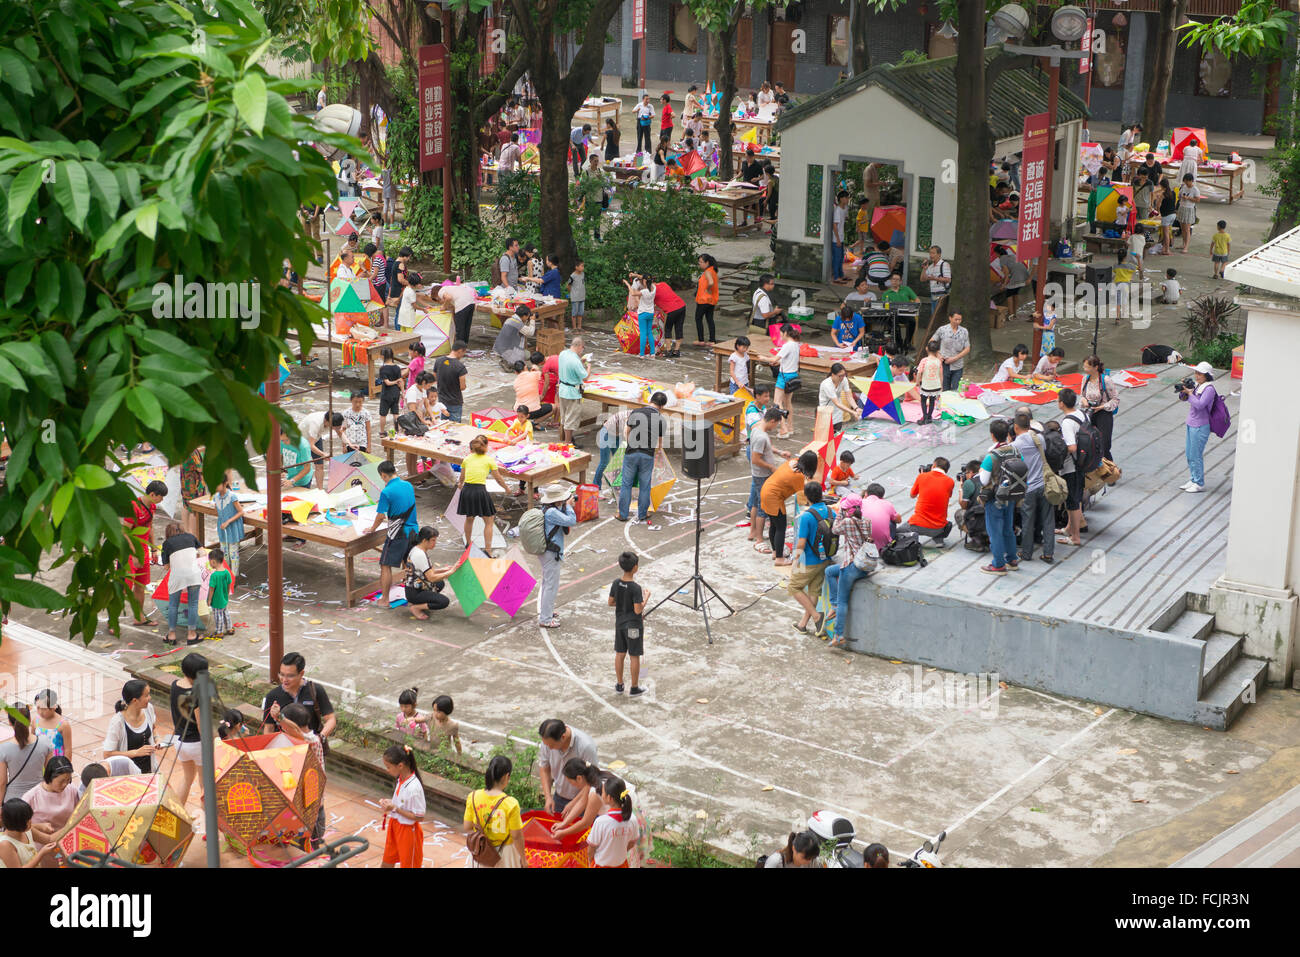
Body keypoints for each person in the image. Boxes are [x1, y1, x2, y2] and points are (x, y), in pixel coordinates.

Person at [260, 653, 337, 754]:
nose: (284, 680)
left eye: (290, 676)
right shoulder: (273, 696)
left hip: (310, 748)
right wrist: (268, 752)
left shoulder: (315, 690)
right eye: (281, 674)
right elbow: (269, 728)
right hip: (284, 751)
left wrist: (319, 738)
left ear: (301, 673)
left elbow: (331, 719)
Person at [369, 460, 418, 609]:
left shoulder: (386, 492)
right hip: (413, 530)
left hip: (398, 533)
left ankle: (385, 600)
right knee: (410, 565)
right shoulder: (408, 485)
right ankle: (413, 598)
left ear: (383, 475)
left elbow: (380, 516)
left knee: (385, 564)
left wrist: (371, 529)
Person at [463, 755, 527, 868]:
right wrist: (523, 858)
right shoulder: (511, 804)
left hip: (481, 852)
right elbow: (516, 836)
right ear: (507, 776)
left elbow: (467, 827)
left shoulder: (473, 797)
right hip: (505, 856)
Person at [825, 493, 871, 648]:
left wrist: (839, 513)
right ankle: (834, 605)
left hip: (850, 565)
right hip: (864, 566)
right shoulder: (867, 521)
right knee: (830, 571)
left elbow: (834, 530)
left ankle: (838, 634)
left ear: (848, 510)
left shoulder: (846, 522)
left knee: (843, 601)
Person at [978, 418, 1023, 574]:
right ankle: (1012, 559)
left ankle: (998, 564)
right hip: (1011, 495)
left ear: (992, 435)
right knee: (1008, 529)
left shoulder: (991, 456)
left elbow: (984, 480)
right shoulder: (1016, 451)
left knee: (995, 532)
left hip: (995, 498)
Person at [617, 392, 667, 529]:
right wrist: (657, 454)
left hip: (631, 452)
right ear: (662, 406)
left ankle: (622, 514)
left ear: (650, 401)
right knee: (645, 485)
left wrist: (629, 444)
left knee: (626, 484)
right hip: (647, 454)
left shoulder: (636, 412)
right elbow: (659, 442)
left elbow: (626, 430)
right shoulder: (661, 419)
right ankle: (643, 513)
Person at [761, 451, 819, 566]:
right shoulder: (798, 476)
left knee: (774, 524)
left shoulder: (793, 462)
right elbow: (803, 497)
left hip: (767, 490)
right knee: (781, 527)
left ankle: (775, 552)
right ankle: (779, 559)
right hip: (773, 497)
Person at [1013, 412, 1055, 565]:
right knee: (1048, 519)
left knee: (1027, 521)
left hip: (1028, 488)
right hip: (1044, 484)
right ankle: (1048, 553)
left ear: (1016, 427)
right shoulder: (1039, 438)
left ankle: (1026, 553)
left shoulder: (1015, 445)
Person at [458, 434, 510, 556]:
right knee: (489, 520)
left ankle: (468, 543)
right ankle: (488, 549)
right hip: (479, 491)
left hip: (467, 490)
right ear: (486, 446)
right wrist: (506, 488)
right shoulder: (489, 460)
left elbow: (462, 476)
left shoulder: (467, 459)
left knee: (469, 518)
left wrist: (460, 484)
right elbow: (499, 479)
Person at [124, 479, 167, 625]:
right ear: (153, 494)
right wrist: (135, 554)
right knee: (124, 589)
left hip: (144, 550)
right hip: (130, 552)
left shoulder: (152, 507)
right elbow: (124, 532)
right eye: (161, 497)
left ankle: (139, 617)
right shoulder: (133, 507)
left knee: (140, 587)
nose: (162, 500)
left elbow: (150, 527)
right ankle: (112, 621)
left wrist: (154, 549)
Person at [168, 652, 207, 805]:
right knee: (204, 784)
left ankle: (178, 815)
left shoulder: (174, 685)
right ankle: (205, 820)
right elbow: (200, 724)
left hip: (179, 742)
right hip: (196, 743)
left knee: (187, 778)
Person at [537, 718, 598, 815]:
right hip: (559, 797)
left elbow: (592, 780)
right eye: (546, 745)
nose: (549, 748)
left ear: (563, 737)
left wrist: (574, 803)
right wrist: (548, 797)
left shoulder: (586, 747)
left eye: (551, 745)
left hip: (583, 799)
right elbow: (544, 768)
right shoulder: (548, 742)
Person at [537, 483, 578, 628]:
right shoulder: (552, 512)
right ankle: (545, 619)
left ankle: (546, 611)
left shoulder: (549, 508)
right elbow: (571, 521)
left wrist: (565, 505)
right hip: (550, 552)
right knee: (551, 586)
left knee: (547, 583)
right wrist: (569, 506)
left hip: (547, 551)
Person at [609, 551, 649, 696]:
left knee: (620, 653)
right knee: (634, 655)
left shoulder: (616, 583)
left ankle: (619, 685)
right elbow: (638, 610)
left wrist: (622, 604)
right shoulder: (635, 588)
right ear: (635, 567)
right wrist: (646, 598)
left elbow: (610, 602)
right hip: (633, 626)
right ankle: (634, 687)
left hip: (620, 624)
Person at [379, 744, 425, 868]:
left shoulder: (414, 787)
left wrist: (395, 808)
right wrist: (390, 803)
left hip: (408, 832)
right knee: (387, 860)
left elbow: (419, 817)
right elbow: (401, 803)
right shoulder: (401, 779)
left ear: (400, 765)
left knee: (409, 865)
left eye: (388, 767)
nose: (387, 770)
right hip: (395, 825)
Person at [748, 408, 787, 548]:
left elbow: (766, 448)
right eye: (776, 424)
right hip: (762, 475)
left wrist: (780, 452)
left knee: (755, 502)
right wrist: (771, 467)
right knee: (762, 508)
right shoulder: (761, 437)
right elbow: (755, 459)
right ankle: (759, 538)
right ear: (772, 421)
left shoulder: (757, 428)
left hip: (758, 474)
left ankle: (753, 532)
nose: (775, 428)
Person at [159, 522, 203, 646]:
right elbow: (203, 553)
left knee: (173, 606)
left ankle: (172, 635)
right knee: (193, 604)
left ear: (168, 533)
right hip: (193, 574)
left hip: (177, 576)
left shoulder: (166, 544)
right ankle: (191, 634)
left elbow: (167, 567)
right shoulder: (191, 537)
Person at [1179, 361, 1219, 493]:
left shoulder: (1209, 389)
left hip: (1201, 426)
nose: (1197, 376)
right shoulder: (1197, 386)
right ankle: (1193, 478)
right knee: (1190, 454)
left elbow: (1200, 405)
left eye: (1200, 374)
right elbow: (1183, 399)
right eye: (1196, 373)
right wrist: (1184, 391)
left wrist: (1190, 394)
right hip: (1191, 423)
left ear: (1207, 375)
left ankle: (1199, 482)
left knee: (1196, 455)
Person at [103, 680, 158, 773]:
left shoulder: (149, 709)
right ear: (135, 700)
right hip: (128, 774)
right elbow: (107, 754)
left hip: (149, 769)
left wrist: (157, 740)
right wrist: (136, 753)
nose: (150, 698)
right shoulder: (117, 722)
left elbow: (153, 727)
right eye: (146, 695)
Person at [0, 706, 53, 803]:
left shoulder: (3, 749)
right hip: (39, 798)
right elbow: (50, 774)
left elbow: (2, 782)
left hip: (14, 801)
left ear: (10, 722)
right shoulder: (45, 742)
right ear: (29, 719)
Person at [587, 774, 640, 868]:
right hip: (621, 864)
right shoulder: (632, 819)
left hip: (601, 865)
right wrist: (621, 852)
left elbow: (591, 848)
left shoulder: (601, 822)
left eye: (602, 792)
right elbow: (632, 842)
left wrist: (590, 861)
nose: (601, 795)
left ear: (609, 798)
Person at [403, 526, 454, 619]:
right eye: (433, 540)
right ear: (424, 540)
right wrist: (451, 572)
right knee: (443, 601)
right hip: (415, 592)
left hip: (416, 587)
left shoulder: (418, 549)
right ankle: (416, 607)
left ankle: (422, 602)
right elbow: (431, 577)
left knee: (440, 583)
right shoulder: (420, 555)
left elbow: (430, 571)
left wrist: (446, 570)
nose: (435, 543)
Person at [1057, 388, 1087, 545]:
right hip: (1083, 463)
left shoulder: (1067, 422)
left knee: (1073, 502)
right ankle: (1069, 528)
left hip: (1072, 466)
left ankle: (1075, 537)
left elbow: (1072, 447)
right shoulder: (1082, 414)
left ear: (1061, 403)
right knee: (1074, 498)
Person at [550, 760, 606, 839]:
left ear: (579, 778)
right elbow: (582, 802)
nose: (571, 785)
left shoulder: (595, 792)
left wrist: (563, 832)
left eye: (570, 782)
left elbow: (586, 822)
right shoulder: (592, 779)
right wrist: (563, 824)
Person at [903, 458, 954, 543]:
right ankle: (939, 539)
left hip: (917, 525)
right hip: (939, 528)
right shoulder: (950, 481)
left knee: (896, 532)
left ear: (933, 466)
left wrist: (922, 478)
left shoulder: (922, 477)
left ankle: (912, 539)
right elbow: (948, 495)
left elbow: (912, 495)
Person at [1080, 355, 1119, 463]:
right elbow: (1082, 395)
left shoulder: (1105, 380)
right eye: (1084, 367)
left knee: (1104, 444)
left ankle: (1110, 471)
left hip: (1103, 413)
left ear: (1095, 367)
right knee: (1089, 442)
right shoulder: (1085, 379)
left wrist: (1101, 406)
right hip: (1089, 412)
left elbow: (1115, 399)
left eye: (1087, 367)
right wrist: (1084, 401)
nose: (1085, 369)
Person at [0, 799, 58, 869]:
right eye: (26, 821)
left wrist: (71, 825)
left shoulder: (26, 831)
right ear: (15, 823)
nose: (30, 822)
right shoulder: (5, 844)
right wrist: (41, 853)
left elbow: (49, 839)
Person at [556, 335, 591, 447]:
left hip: (562, 389)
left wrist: (580, 360)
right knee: (571, 419)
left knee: (565, 416)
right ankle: (568, 443)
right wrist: (589, 366)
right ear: (580, 346)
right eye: (582, 348)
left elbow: (569, 364)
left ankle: (567, 439)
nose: (582, 350)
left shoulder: (563, 354)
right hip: (572, 392)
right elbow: (585, 377)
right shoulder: (575, 361)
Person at [768, 323, 802, 435]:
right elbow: (786, 360)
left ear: (786, 333)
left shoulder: (787, 345)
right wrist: (776, 361)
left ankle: (783, 428)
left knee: (777, 403)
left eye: (781, 333)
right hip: (793, 375)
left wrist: (763, 358)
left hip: (784, 376)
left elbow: (774, 359)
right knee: (788, 402)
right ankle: (790, 426)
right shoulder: (796, 345)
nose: (780, 336)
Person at [593, 406, 632, 494]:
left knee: (617, 462)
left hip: (616, 435)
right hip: (607, 433)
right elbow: (627, 435)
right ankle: (596, 486)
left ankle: (615, 485)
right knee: (604, 462)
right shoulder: (630, 419)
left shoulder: (637, 417)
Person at [492, 304, 535, 373]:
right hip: (507, 349)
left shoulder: (510, 319)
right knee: (527, 355)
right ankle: (508, 363)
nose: (528, 318)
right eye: (527, 316)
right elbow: (530, 333)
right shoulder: (517, 323)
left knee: (523, 353)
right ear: (524, 316)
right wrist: (532, 321)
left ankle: (505, 360)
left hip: (499, 348)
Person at [818, 363, 859, 434]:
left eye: (844, 375)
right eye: (840, 376)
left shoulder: (844, 380)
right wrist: (852, 412)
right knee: (827, 437)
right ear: (833, 375)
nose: (842, 377)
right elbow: (836, 403)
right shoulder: (827, 384)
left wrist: (856, 408)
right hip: (826, 412)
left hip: (838, 412)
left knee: (837, 435)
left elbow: (849, 396)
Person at [433, 341, 469, 422]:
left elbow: (434, 378)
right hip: (455, 402)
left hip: (441, 400)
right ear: (460, 351)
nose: (462, 356)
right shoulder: (460, 367)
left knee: (442, 425)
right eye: (463, 353)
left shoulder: (438, 361)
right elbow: (462, 387)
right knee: (455, 428)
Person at [30, 689, 71, 760]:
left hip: (56, 763)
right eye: (38, 708)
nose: (40, 712)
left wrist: (65, 767)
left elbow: (68, 749)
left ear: (53, 707)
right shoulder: (35, 721)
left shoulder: (63, 725)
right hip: (40, 761)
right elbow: (32, 742)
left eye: (44, 709)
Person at [935, 310, 969, 392]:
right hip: (944, 364)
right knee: (944, 389)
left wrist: (955, 358)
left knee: (956, 389)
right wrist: (938, 354)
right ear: (950, 318)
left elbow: (967, 348)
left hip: (958, 365)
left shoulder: (964, 331)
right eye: (956, 319)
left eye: (960, 320)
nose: (958, 322)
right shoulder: (942, 329)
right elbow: (931, 342)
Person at [921, 245, 952, 334]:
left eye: (933, 253)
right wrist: (924, 269)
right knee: (933, 318)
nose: (931, 255)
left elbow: (948, 279)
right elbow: (923, 279)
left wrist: (934, 278)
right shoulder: (930, 266)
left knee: (940, 318)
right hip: (933, 295)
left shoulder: (944, 264)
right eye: (930, 253)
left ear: (939, 254)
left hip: (942, 294)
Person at [861, 482, 901, 552]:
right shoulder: (887, 504)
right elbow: (898, 520)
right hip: (883, 548)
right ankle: (888, 541)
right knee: (892, 521)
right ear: (882, 497)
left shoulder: (860, 502)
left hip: (862, 545)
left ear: (866, 493)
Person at [627, 273, 657, 358]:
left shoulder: (644, 291)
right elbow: (647, 279)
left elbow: (632, 293)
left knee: (643, 334)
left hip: (643, 313)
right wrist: (637, 276)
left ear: (644, 281)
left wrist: (627, 284)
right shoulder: (654, 289)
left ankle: (642, 354)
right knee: (649, 333)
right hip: (651, 313)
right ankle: (652, 353)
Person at [439, 279, 479, 346]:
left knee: (460, 329)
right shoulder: (451, 288)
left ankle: (458, 349)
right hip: (472, 303)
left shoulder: (440, 291)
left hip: (463, 304)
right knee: (466, 327)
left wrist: (443, 306)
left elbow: (448, 298)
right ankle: (464, 347)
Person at [916, 339, 944, 425]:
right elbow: (940, 374)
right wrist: (941, 385)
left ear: (927, 349)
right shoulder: (938, 361)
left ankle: (924, 417)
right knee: (932, 401)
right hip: (936, 385)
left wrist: (917, 382)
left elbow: (919, 372)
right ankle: (929, 417)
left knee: (923, 401)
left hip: (926, 385)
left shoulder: (924, 360)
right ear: (937, 351)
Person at [693, 254, 719, 345]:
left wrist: (708, 288)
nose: (699, 264)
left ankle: (701, 340)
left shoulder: (708, 272)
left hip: (704, 299)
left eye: (701, 262)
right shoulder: (713, 271)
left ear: (707, 262)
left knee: (698, 318)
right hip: (711, 299)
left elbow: (711, 282)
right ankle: (712, 340)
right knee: (709, 319)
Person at [830, 190, 850, 284]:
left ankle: (841, 275)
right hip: (836, 238)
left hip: (841, 236)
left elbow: (845, 217)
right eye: (846, 197)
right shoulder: (837, 210)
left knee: (841, 257)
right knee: (837, 258)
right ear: (841, 199)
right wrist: (837, 239)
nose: (848, 199)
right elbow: (834, 225)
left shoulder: (845, 208)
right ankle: (836, 277)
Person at [1177, 173, 1200, 253]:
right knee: (1182, 228)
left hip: (1189, 209)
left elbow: (1197, 200)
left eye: (1187, 181)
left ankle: (1186, 246)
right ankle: (1183, 244)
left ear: (1191, 181)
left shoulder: (1195, 189)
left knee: (1187, 229)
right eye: (1185, 181)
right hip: (1182, 207)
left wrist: (1188, 198)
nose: (1186, 183)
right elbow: (1178, 196)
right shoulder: (1184, 187)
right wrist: (1181, 197)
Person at [569, 259, 586, 331]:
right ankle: (574, 328)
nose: (583, 268)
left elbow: (583, 283)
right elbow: (568, 285)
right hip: (575, 297)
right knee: (574, 313)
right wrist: (572, 293)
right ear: (576, 267)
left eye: (583, 266)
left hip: (582, 296)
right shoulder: (572, 276)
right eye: (581, 266)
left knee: (581, 312)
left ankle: (579, 326)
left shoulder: (583, 274)